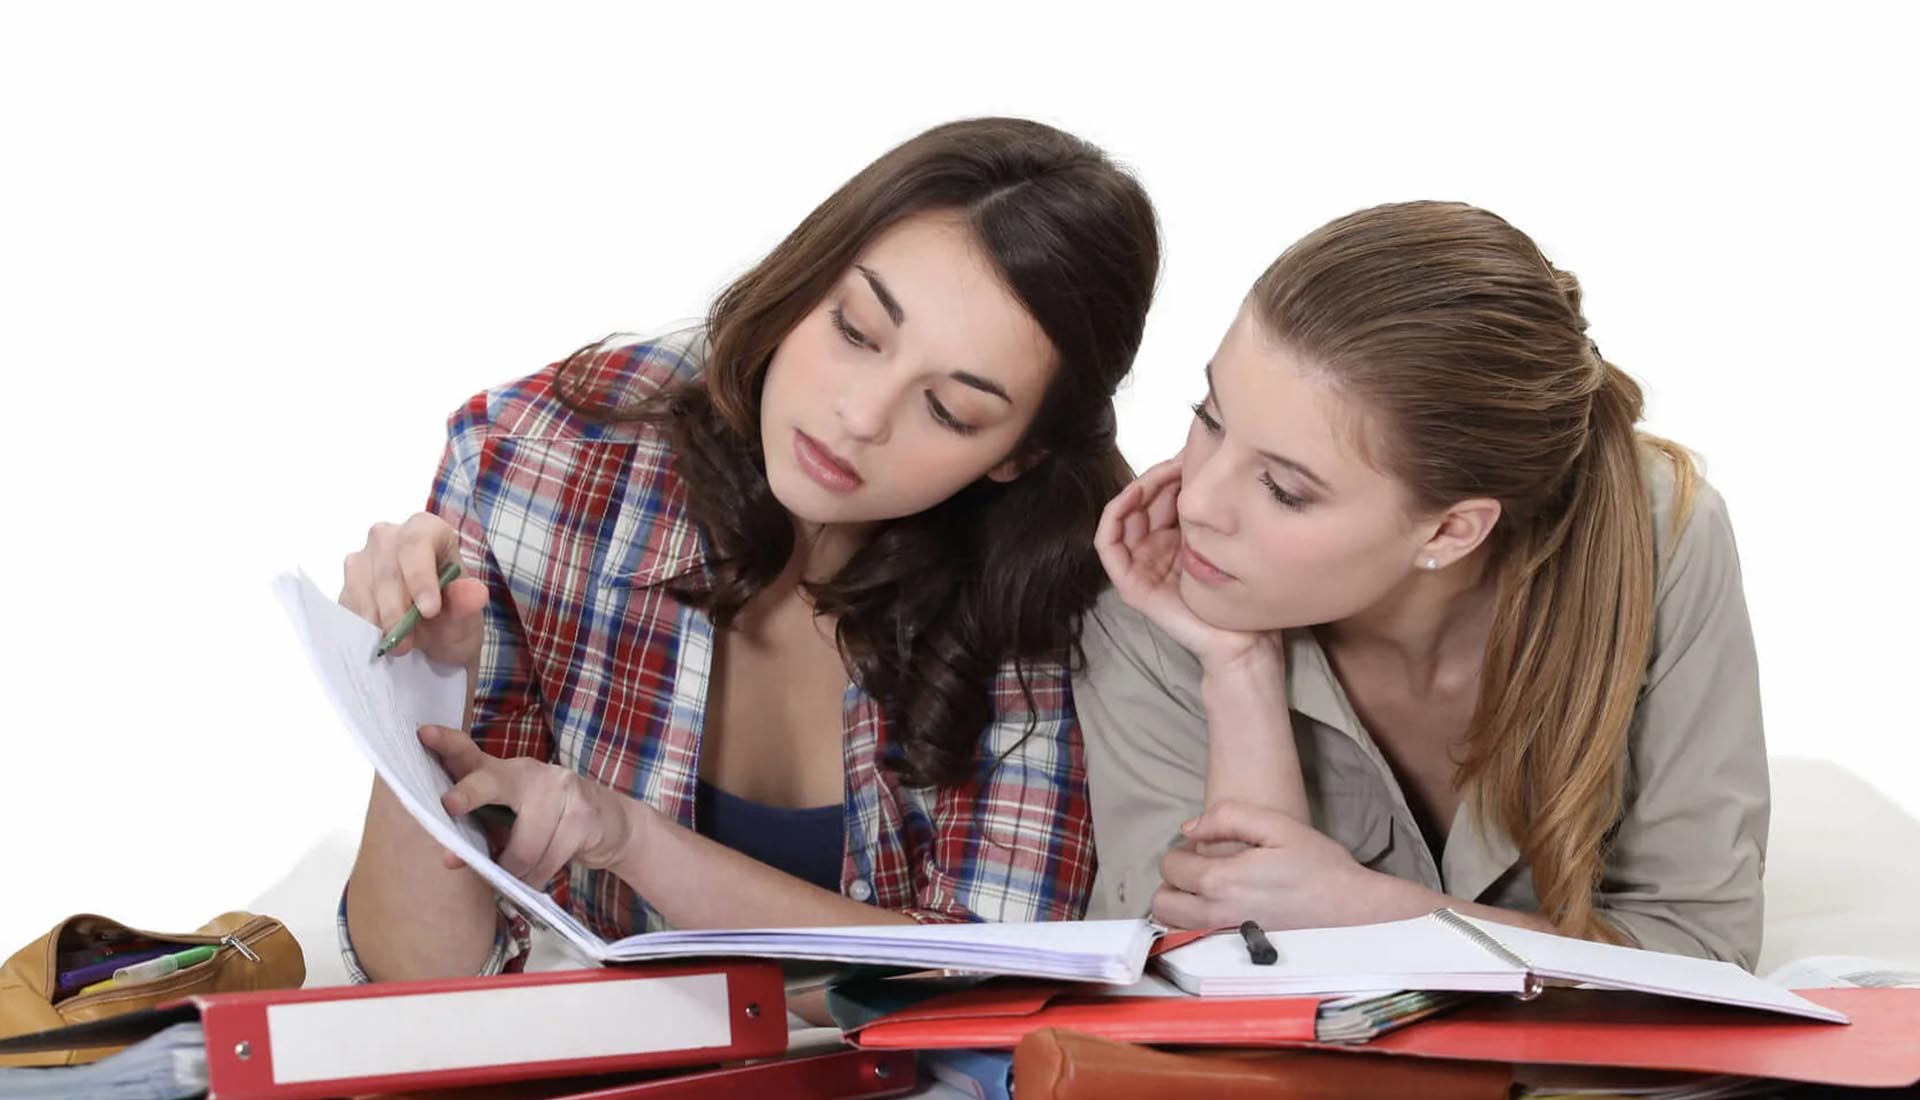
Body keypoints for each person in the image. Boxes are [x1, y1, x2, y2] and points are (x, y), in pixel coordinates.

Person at [336, 117, 1160, 981]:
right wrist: (414, 693)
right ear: (805, 279)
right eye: (855, 331)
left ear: (1020, 454)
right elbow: (422, 982)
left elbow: (993, 978)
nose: (861, 416)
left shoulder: (1060, 587)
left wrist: (633, 840)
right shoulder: (542, 461)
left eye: (950, 410)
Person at [1081, 201, 1766, 967]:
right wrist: (1238, 672)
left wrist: (1373, 914)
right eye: (1209, 418)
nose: (1197, 502)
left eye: (1283, 489)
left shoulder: (1660, 539)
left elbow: (1703, 954)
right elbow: (1209, 979)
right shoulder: (1156, 595)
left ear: (1449, 532)